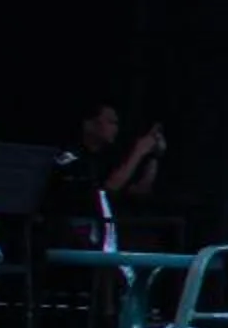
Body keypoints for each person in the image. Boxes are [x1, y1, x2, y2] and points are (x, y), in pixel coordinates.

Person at [53, 102, 164, 249]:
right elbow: (109, 189)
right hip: (71, 233)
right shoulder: (70, 156)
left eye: (117, 124)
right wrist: (139, 151)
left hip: (108, 232)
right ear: (89, 125)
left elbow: (140, 190)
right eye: (110, 122)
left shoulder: (109, 157)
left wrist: (154, 156)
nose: (115, 128)